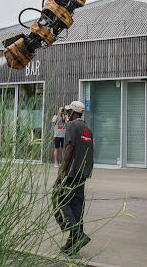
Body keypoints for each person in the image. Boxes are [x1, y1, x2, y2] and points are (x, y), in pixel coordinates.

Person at [54, 100, 94, 256]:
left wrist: (63, 171)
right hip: (82, 173)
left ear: (73, 113)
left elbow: (69, 147)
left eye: (69, 111)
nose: (67, 113)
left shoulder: (71, 126)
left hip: (71, 172)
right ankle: (73, 243)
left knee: (59, 200)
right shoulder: (87, 128)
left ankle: (77, 234)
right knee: (77, 207)